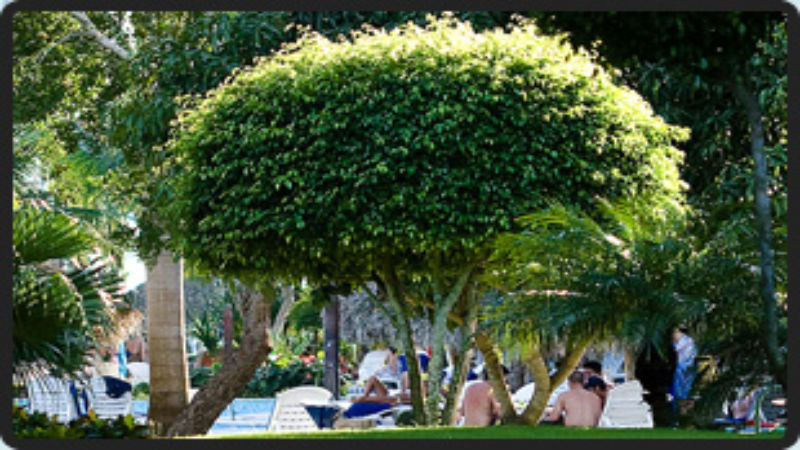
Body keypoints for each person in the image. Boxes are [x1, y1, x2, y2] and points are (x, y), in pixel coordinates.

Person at [669, 327, 697, 425]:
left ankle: (683, 418)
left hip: (684, 376)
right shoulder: (673, 343)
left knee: (682, 396)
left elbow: (688, 363)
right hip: (675, 376)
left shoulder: (688, 343)